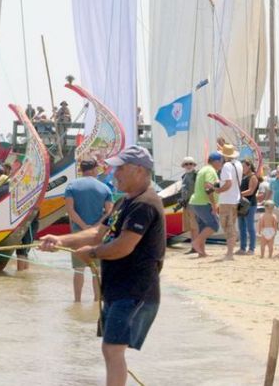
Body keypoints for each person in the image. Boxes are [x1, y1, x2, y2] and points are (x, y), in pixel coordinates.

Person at [39, 146, 165, 386]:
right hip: (119, 289)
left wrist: (93, 253)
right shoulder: (124, 202)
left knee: (112, 349)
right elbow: (98, 232)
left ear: (139, 170)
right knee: (111, 349)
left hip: (136, 291)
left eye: (120, 168)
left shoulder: (145, 204)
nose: (114, 173)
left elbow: (124, 245)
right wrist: (61, 240)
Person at [64, 158, 114, 301]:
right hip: (97, 233)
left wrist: (84, 226)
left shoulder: (71, 186)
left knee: (79, 270)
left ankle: (77, 301)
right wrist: (96, 225)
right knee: (96, 271)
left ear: (81, 170)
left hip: (78, 233)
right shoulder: (105, 188)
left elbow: (70, 210)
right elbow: (109, 212)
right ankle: (97, 301)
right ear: (94, 169)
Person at [187, 152, 222, 258]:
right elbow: (208, 187)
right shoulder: (211, 171)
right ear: (216, 162)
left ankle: (201, 253)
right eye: (221, 162)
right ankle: (196, 243)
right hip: (203, 202)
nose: (221, 164)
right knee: (214, 225)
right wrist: (214, 204)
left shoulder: (203, 169)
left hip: (196, 202)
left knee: (203, 226)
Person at [215, 144, 241, 260]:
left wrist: (218, 190)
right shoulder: (238, 164)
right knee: (231, 225)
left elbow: (228, 183)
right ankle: (230, 252)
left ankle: (230, 253)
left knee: (227, 226)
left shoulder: (226, 166)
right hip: (235, 199)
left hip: (227, 200)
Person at [175, 158, 198, 252]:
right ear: (184, 166)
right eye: (186, 164)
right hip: (186, 204)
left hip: (194, 204)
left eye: (190, 164)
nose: (188, 166)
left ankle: (196, 247)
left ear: (194, 165)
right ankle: (193, 247)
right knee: (190, 227)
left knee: (194, 227)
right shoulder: (185, 176)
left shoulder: (196, 175)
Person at [238, 159, 260, 255]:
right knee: (241, 226)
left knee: (250, 226)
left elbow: (251, 191)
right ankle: (242, 248)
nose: (242, 168)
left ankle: (251, 248)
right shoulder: (243, 177)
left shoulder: (253, 177)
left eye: (243, 166)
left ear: (249, 166)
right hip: (242, 203)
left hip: (250, 204)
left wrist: (238, 194)